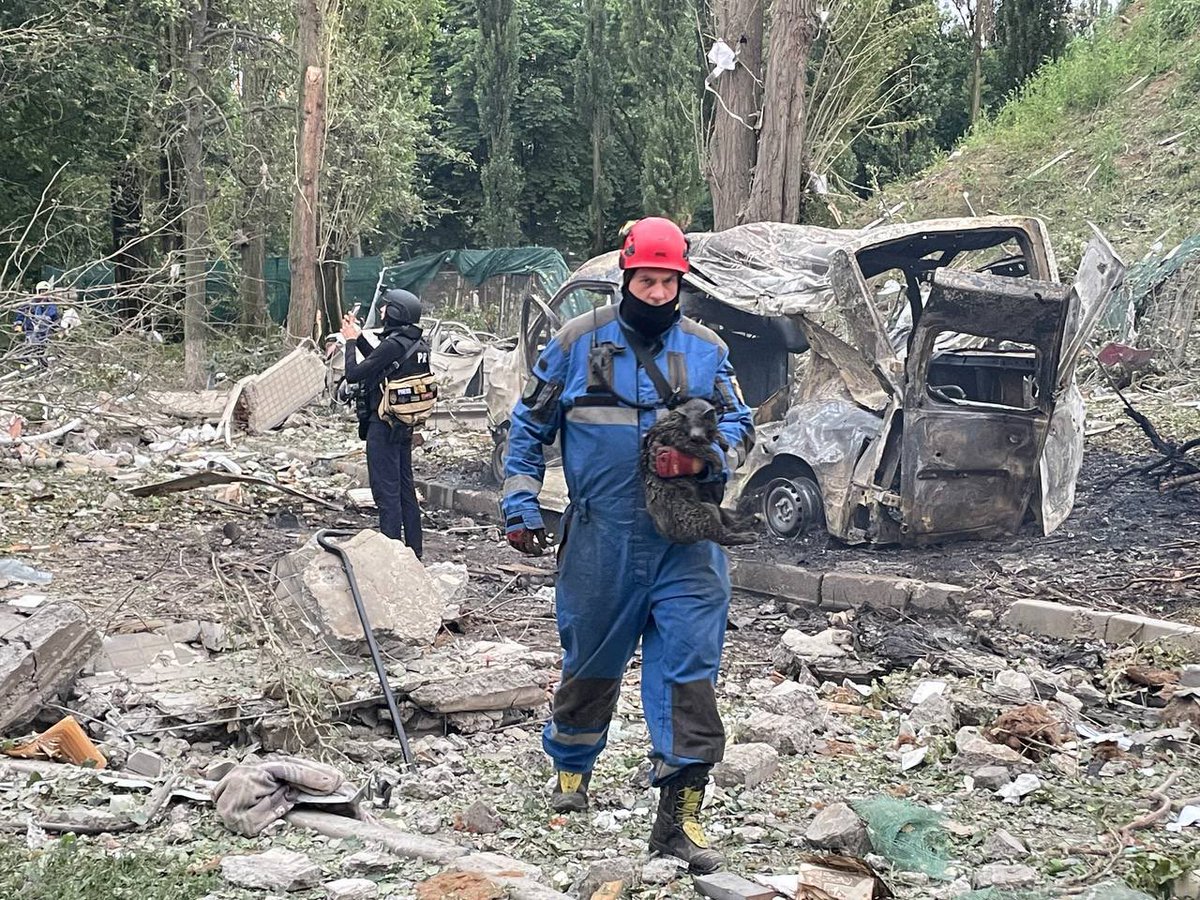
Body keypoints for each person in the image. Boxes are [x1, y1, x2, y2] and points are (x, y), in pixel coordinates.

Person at [501, 217, 755, 873]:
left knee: (689, 672)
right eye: (647, 279)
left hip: (686, 543)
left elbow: (744, 431)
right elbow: (528, 427)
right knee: (589, 661)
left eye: (669, 282)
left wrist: (704, 466)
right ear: (625, 275)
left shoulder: (707, 351)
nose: (658, 291)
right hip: (599, 538)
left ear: (682, 282)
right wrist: (520, 501)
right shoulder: (574, 342)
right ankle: (570, 769)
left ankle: (681, 818)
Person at [341, 289, 430, 558]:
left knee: (385, 493)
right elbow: (382, 364)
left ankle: (392, 558)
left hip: (383, 424)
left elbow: (354, 373)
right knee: (405, 490)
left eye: (385, 307)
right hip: (404, 424)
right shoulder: (417, 344)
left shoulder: (393, 344)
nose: (381, 312)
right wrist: (358, 339)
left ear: (395, 313)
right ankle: (414, 553)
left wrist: (348, 343)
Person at [13, 281, 61, 362]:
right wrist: (18, 325)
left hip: (46, 333)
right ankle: (25, 360)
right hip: (31, 330)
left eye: (46, 291)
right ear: (37, 291)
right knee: (32, 343)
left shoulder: (52, 306)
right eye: (42, 291)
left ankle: (44, 361)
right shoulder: (29, 304)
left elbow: (56, 320)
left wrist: (59, 330)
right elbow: (20, 316)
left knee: (47, 348)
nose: (44, 294)